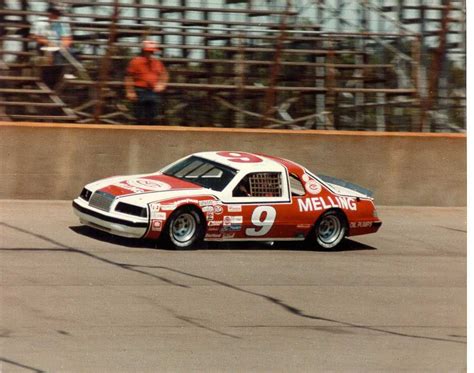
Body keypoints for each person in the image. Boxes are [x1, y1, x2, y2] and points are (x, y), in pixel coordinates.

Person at [30, 5, 76, 86]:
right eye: (52, 13)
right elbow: (33, 36)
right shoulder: (40, 22)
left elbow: (67, 38)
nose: (54, 15)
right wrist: (46, 42)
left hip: (58, 46)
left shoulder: (62, 23)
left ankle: (64, 74)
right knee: (55, 55)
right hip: (44, 46)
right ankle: (57, 77)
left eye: (56, 14)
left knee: (71, 52)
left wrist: (63, 45)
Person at [125, 40, 169, 125]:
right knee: (140, 116)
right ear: (144, 51)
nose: (151, 53)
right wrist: (130, 91)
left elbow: (165, 74)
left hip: (153, 92)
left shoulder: (157, 62)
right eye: (149, 51)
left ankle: (149, 136)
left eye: (152, 52)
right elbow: (129, 77)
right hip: (140, 91)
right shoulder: (135, 62)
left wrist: (162, 84)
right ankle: (140, 136)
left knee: (153, 116)